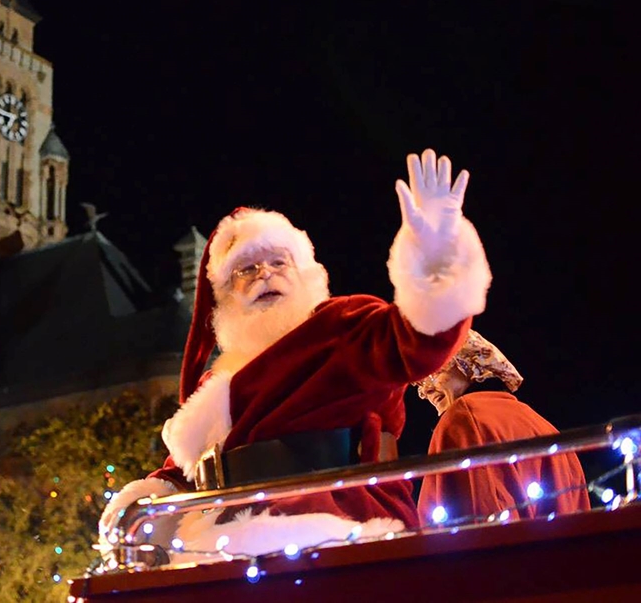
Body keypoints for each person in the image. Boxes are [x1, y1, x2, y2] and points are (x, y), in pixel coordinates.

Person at [98, 149, 494, 558]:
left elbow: (419, 341)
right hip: (222, 543)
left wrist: (435, 260)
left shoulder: (344, 326)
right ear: (226, 297)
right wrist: (146, 500)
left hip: (339, 529)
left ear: (304, 271)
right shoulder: (218, 381)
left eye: (277, 261)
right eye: (246, 270)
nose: (265, 273)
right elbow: (189, 469)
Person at [414, 330, 591, 524]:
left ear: (471, 363)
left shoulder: (464, 418)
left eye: (434, 373)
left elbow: (476, 527)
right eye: (420, 382)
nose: (425, 391)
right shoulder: (545, 427)